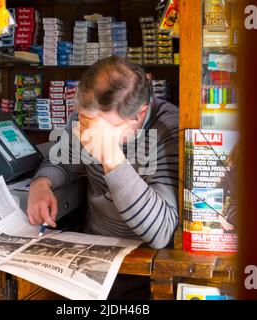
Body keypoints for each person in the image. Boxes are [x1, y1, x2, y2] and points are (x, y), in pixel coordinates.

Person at [27, 56, 179, 298]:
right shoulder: (86, 118)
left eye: (102, 129)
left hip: (146, 264)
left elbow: (161, 232)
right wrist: (42, 183)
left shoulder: (168, 129)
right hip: (94, 253)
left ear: (139, 115)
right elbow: (62, 159)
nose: (87, 133)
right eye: (86, 122)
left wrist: (110, 155)